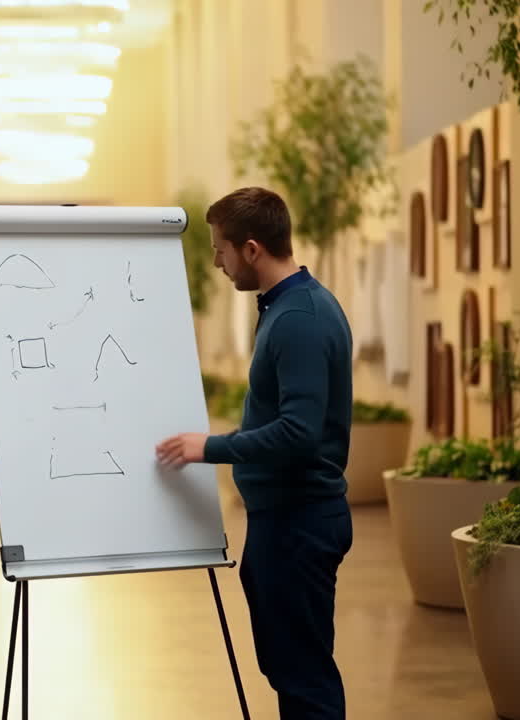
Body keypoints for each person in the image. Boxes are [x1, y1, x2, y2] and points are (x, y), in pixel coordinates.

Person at [156, 187, 354, 720]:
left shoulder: (300, 319)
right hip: (283, 521)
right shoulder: (288, 308)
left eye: (220, 250)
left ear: (250, 249)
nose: (217, 263)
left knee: (305, 678)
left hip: (299, 522)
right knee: (291, 669)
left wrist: (210, 448)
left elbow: (299, 433)